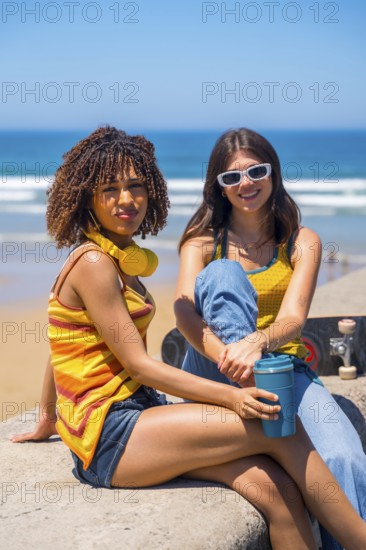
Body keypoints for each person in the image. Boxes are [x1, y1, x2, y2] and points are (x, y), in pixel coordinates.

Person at [11, 126, 366, 550]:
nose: (126, 199)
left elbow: (64, 341)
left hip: (142, 414)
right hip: (112, 435)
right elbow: (140, 365)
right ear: (86, 197)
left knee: (276, 491)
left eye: (135, 186)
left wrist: (49, 415)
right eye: (109, 189)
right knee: (282, 430)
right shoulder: (93, 263)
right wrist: (234, 398)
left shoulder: (119, 260)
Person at [174, 127, 366, 550]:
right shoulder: (203, 244)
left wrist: (257, 344)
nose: (246, 183)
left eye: (256, 171)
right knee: (225, 274)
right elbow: (184, 310)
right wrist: (231, 354)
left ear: (273, 174)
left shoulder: (302, 242)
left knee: (343, 459)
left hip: (281, 370)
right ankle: (268, 409)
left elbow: (294, 319)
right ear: (219, 188)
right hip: (214, 370)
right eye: (231, 178)